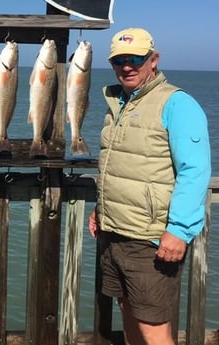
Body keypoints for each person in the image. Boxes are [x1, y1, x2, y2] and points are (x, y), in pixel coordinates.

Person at [88, 28, 211, 345]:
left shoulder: (177, 104)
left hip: (150, 240)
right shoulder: (119, 102)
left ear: (153, 60)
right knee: (129, 311)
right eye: (119, 60)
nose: (126, 66)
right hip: (115, 232)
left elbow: (194, 171)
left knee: (153, 328)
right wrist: (102, 208)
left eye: (135, 58)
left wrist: (180, 230)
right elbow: (124, 166)